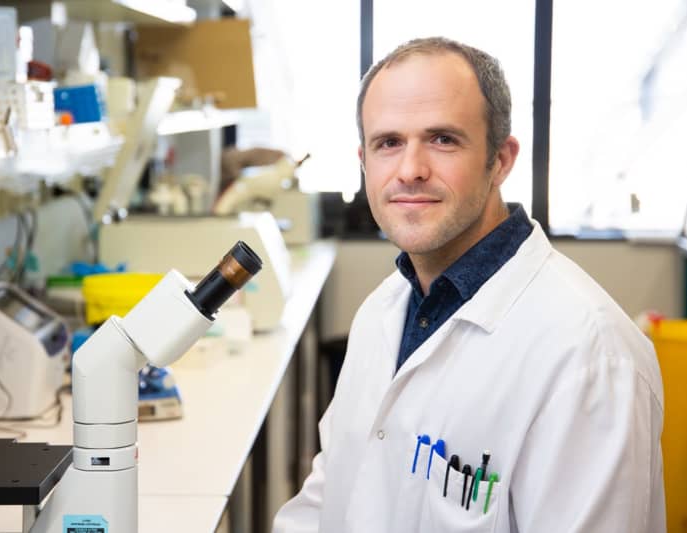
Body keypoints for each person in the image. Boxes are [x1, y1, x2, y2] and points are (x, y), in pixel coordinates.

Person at [273, 37, 665, 532]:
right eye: (388, 143)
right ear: (364, 160)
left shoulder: (588, 353)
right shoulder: (382, 311)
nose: (410, 170)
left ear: (500, 160)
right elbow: (330, 497)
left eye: (442, 139)